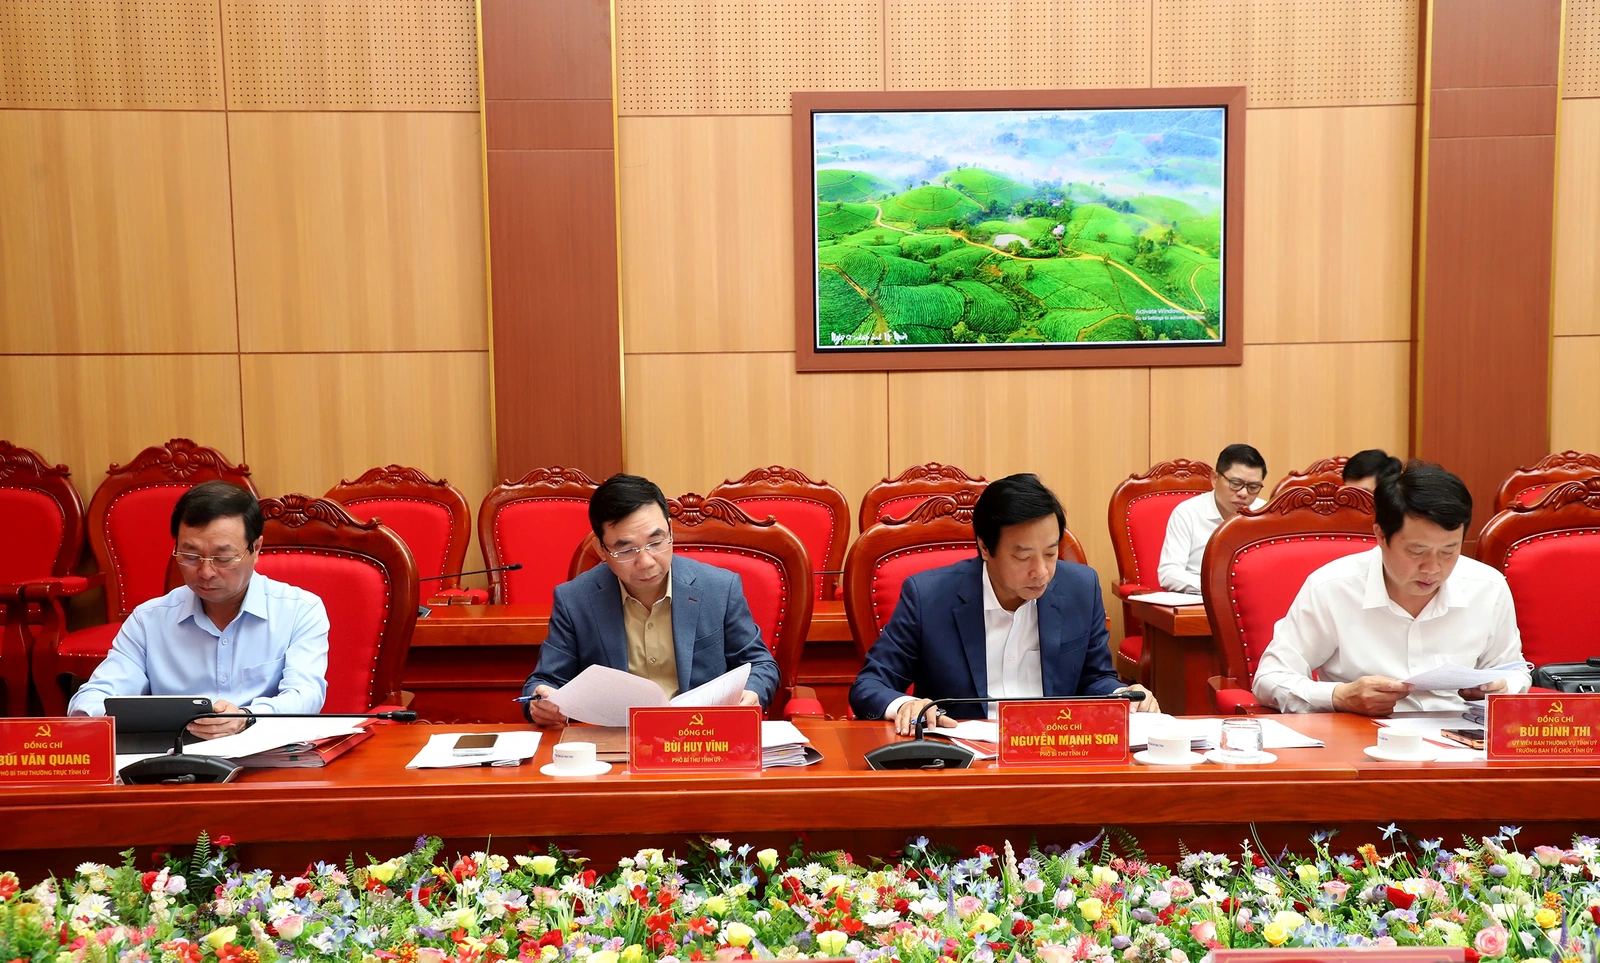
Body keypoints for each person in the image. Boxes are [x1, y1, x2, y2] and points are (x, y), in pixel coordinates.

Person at [849, 473, 1157, 735]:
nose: (1041, 571)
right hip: (962, 761)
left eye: (1050, 553)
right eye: (1023, 557)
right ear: (985, 547)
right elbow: (869, 685)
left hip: (1054, 752)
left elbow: (1094, 678)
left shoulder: (1080, 588)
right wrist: (907, 705)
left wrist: (1122, 695)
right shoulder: (928, 597)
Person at [1252, 462, 1529, 715]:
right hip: (1360, 736)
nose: (1432, 568)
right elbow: (1269, 678)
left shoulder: (1488, 587)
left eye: (1448, 551)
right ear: (1381, 536)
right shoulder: (1332, 587)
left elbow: (1514, 671)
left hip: (1461, 736)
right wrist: (1340, 696)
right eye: (1417, 551)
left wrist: (1502, 688)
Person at [68, 481, 330, 737]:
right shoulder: (149, 621)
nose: (206, 572)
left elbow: (305, 695)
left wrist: (246, 717)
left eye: (223, 558)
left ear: (256, 548)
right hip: (174, 756)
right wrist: (100, 718)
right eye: (191, 556)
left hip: (264, 749)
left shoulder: (299, 611)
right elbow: (94, 696)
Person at [521, 474, 779, 724]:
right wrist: (540, 704)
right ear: (602, 549)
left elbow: (761, 664)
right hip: (617, 741)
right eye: (626, 549)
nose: (646, 562)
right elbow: (543, 683)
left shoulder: (719, 588)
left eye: (656, 542)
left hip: (699, 735)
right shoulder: (575, 600)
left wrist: (753, 692)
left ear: (670, 530)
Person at [1157, 444, 1268, 593]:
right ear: (1215, 479)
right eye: (1235, 484)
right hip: (1200, 597)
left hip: (1252, 597)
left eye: (1253, 487)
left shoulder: (1265, 513)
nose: (1243, 493)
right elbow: (1169, 573)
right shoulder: (1187, 512)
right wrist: (1221, 588)